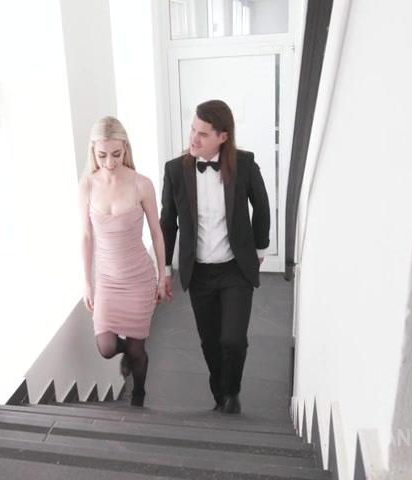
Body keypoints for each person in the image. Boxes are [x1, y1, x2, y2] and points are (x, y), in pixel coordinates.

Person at [159, 100, 271, 414]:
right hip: (199, 273)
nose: (193, 138)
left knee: (233, 339)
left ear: (222, 137)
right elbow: (168, 223)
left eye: (203, 134)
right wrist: (165, 269)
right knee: (210, 342)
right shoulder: (175, 170)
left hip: (235, 268)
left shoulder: (245, 164)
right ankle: (219, 396)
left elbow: (262, 206)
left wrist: (260, 249)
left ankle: (232, 392)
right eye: (193, 129)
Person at [78, 116, 169, 407]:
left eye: (116, 154)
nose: (109, 162)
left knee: (137, 348)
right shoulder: (87, 186)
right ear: (93, 152)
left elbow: (156, 232)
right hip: (107, 279)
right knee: (106, 347)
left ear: (126, 148)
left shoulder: (141, 184)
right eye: (102, 155)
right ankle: (127, 356)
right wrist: (87, 283)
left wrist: (163, 276)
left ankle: (138, 395)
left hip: (139, 278)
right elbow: (86, 237)